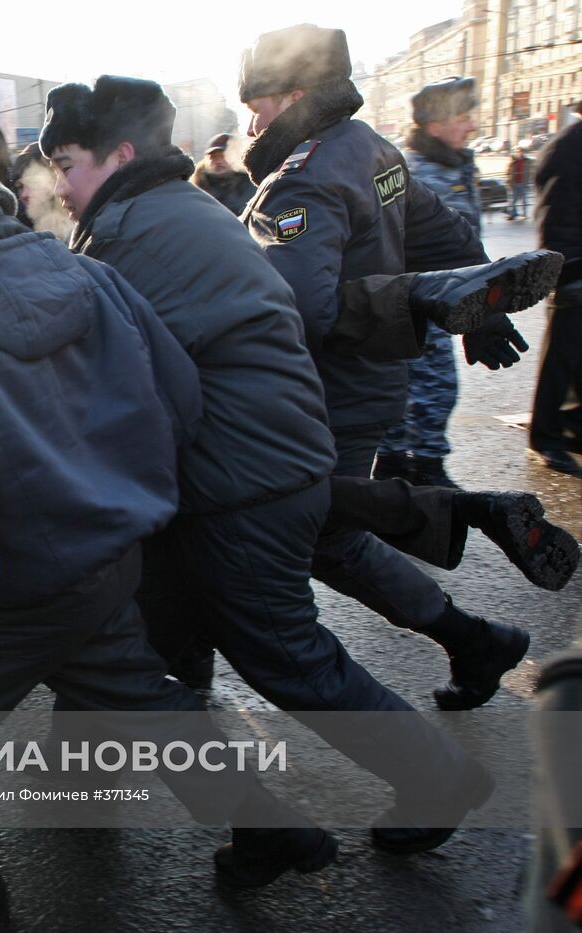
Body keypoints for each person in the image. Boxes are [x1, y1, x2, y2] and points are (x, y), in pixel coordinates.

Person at [0, 100, 335, 932]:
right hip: (101, 561)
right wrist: (116, 495)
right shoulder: (72, 266)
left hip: (15, 585)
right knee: (142, 697)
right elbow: (171, 393)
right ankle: (270, 823)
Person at [42, 73, 493, 854]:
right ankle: (219, 819)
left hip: (244, 479)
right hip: (248, 464)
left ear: (117, 154)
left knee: (285, 654)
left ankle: (437, 774)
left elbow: (107, 375)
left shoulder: (137, 230)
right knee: (149, 632)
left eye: (69, 163)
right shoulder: (159, 209)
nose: (58, 184)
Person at [238, 25, 536, 711]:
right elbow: (446, 233)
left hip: (323, 393)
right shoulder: (372, 151)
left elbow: (295, 310)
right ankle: (472, 632)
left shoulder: (303, 180)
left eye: (259, 102)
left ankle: (469, 629)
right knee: (329, 531)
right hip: (372, 385)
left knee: (313, 536)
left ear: (296, 94)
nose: (251, 120)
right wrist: (474, 305)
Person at [375, 76, 481, 488]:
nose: (470, 126)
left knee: (416, 390)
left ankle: (400, 467)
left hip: (438, 300)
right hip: (419, 302)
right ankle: (419, 471)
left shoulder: (450, 165)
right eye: (461, 118)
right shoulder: (415, 173)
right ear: (434, 126)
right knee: (430, 389)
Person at [528, 100, 582, 475]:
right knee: (560, 362)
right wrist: (569, 269)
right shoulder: (568, 147)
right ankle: (545, 437)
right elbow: (556, 216)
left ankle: (575, 427)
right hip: (574, 270)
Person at [191, 132, 257, 215]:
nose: (219, 161)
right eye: (213, 157)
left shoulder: (254, 186)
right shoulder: (197, 189)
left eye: (224, 155)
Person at [508, 145, 534, 220]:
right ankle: (512, 214)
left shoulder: (527, 161)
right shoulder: (513, 161)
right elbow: (509, 171)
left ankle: (524, 214)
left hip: (523, 183)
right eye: (518, 152)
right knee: (513, 200)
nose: (519, 153)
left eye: (521, 151)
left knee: (524, 200)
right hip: (515, 183)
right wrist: (509, 181)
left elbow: (531, 170)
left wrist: (529, 180)